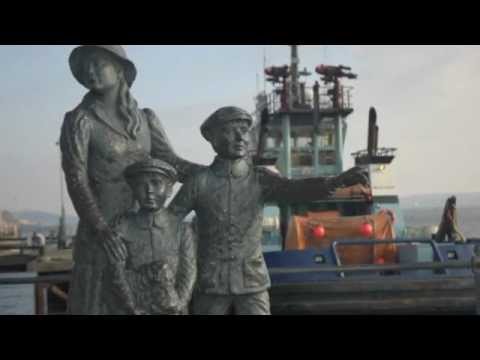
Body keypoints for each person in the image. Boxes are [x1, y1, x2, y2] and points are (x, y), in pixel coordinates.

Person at [169, 106, 370, 315]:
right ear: (212, 137)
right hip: (211, 283)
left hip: (252, 282)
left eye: (244, 130)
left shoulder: (260, 179)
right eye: (230, 130)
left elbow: (296, 189)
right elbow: (169, 222)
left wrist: (336, 181)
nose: (240, 137)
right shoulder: (199, 182)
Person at [60, 45, 202, 314]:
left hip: (144, 229)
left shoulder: (146, 119)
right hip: (102, 231)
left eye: (98, 63)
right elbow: (76, 179)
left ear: (120, 69)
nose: (90, 71)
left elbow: (173, 163)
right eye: (85, 66)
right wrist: (102, 229)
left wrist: (212, 172)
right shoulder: (80, 120)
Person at [104, 158, 196, 315]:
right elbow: (115, 272)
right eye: (141, 184)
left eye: (156, 183)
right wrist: (131, 306)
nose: (149, 190)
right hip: (133, 308)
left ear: (169, 190)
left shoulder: (181, 229)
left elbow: (189, 271)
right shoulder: (121, 227)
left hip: (173, 308)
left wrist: (180, 302)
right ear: (133, 189)